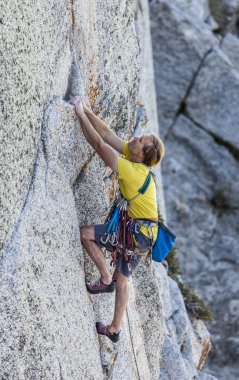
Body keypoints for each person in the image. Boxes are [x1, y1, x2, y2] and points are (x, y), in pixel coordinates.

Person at [71, 98, 165, 343]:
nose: (134, 139)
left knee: (86, 235)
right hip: (143, 232)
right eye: (138, 137)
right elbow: (109, 134)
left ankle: (105, 282)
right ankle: (114, 326)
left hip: (138, 234)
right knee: (122, 279)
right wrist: (89, 111)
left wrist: (80, 115)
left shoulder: (133, 171)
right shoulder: (136, 161)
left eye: (139, 141)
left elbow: (99, 144)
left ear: (142, 155)